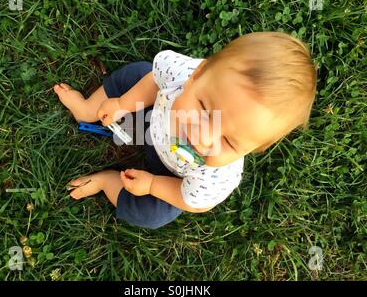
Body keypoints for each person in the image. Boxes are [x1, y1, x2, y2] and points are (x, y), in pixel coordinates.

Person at [53, 32, 317, 230]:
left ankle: (106, 182)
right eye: (204, 108)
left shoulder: (218, 176)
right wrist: (123, 105)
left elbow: (192, 200)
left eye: (228, 141)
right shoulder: (179, 73)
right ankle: (88, 109)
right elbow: (153, 82)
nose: (201, 138)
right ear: (197, 74)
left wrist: (154, 184)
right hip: (153, 116)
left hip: (169, 172)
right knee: (140, 73)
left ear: (254, 148)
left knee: (152, 214)